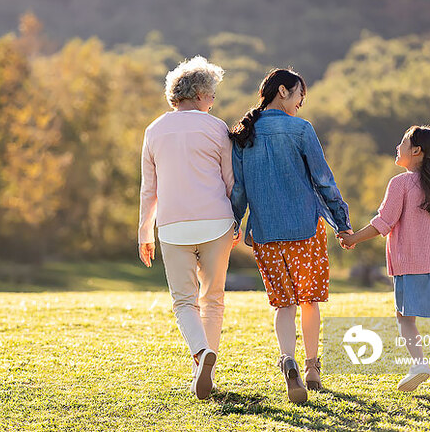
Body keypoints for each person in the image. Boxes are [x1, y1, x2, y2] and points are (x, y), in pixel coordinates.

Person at [229, 68, 352, 404]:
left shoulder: (243, 134)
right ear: (283, 91)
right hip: (304, 229)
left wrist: (235, 224)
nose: (300, 103)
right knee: (309, 300)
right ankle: (312, 367)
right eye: (300, 95)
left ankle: (288, 361)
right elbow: (324, 180)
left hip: (266, 234)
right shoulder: (301, 129)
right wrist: (342, 221)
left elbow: (239, 190)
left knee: (283, 304)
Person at [338, 125, 430, 401]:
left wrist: (353, 239)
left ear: (416, 151)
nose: (397, 147)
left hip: (410, 267)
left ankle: (419, 363)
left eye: (402, 142)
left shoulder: (400, 183)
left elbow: (382, 223)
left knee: (404, 319)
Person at [138, 56, 241, 400]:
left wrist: (144, 233)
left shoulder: (153, 130)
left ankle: (200, 357)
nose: (213, 101)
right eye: (211, 94)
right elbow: (230, 182)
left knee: (184, 301)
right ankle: (204, 366)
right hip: (217, 222)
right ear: (198, 94)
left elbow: (148, 190)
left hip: (172, 226)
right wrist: (236, 220)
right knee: (213, 299)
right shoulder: (217, 128)